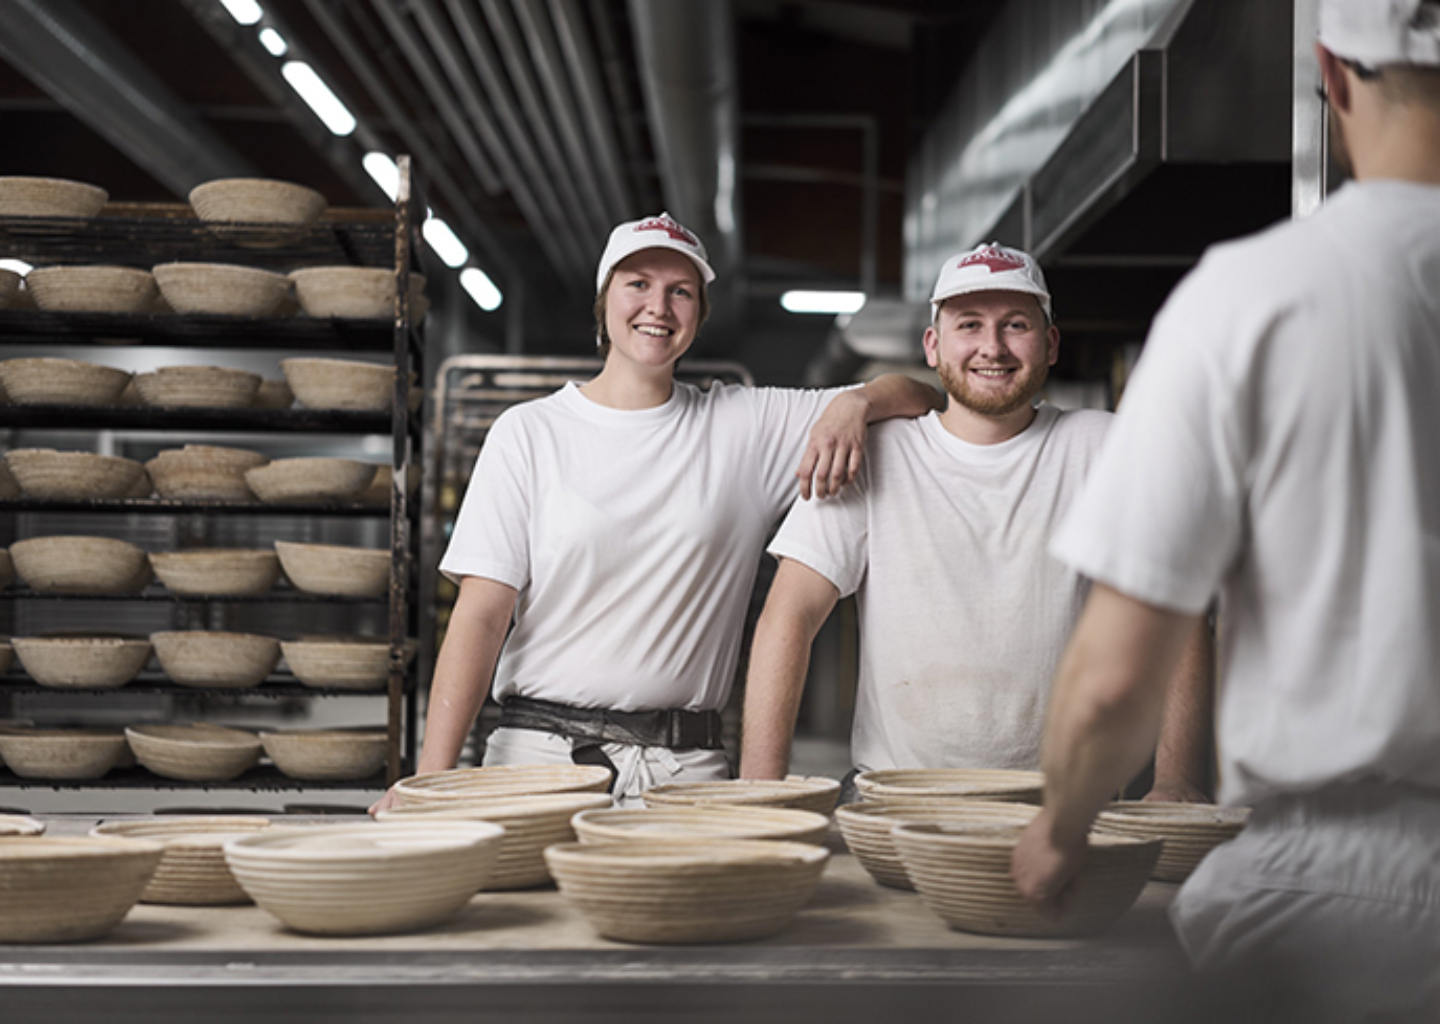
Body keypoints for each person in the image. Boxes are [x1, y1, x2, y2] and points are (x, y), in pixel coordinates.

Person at [1011, 1, 1440, 1017]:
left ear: (1330, 74)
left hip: (1340, 901)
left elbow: (1116, 677)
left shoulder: (1254, 300)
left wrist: (1061, 831)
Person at [373, 212, 941, 811]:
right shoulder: (529, 434)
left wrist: (858, 400)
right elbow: (481, 617)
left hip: (685, 774)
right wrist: (426, 785)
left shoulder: (743, 427)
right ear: (604, 300)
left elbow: (925, 399)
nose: (659, 307)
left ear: (699, 313)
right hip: (537, 763)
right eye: (638, 284)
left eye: (681, 291)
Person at [739, 242, 1211, 800]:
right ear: (933, 347)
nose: (993, 347)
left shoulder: (1105, 449)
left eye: (1015, 325)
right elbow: (789, 617)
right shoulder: (873, 453)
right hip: (893, 798)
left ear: (1051, 343)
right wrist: (758, 792)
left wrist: (1178, 780)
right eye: (970, 324)